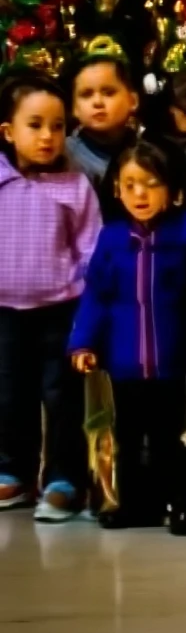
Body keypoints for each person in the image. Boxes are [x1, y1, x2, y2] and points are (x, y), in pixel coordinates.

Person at [68, 140, 186, 534]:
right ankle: (135, 505)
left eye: (151, 184)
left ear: (173, 190)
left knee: (171, 435)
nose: (140, 194)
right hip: (124, 362)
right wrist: (83, 341)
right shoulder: (111, 238)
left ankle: (181, 503)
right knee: (129, 436)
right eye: (130, 184)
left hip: (173, 361)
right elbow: (96, 296)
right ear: (117, 189)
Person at [0, 71, 101, 522]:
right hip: (5, 313)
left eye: (58, 126)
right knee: (9, 394)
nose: (47, 136)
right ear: (8, 132)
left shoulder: (74, 185)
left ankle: (65, 479)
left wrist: (87, 305)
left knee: (62, 397)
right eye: (35, 125)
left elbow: (90, 248)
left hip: (61, 310)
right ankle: (12, 471)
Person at [65, 43, 140, 222]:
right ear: (74, 108)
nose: (97, 102)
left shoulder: (148, 150)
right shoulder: (65, 156)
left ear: (132, 100)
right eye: (86, 94)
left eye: (108, 92)